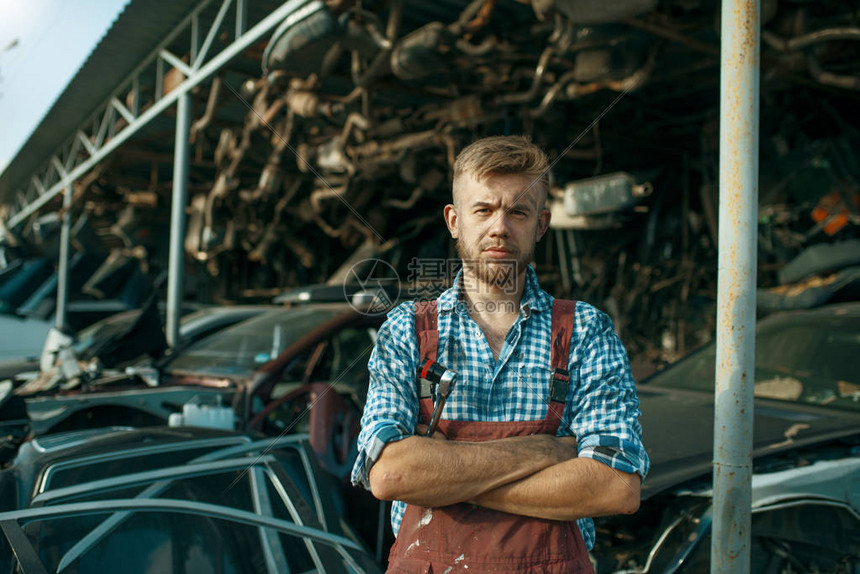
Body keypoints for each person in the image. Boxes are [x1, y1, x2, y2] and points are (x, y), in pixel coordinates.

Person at [351, 135, 649, 573]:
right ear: (454, 220)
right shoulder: (407, 331)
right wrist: (547, 451)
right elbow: (391, 474)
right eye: (484, 209)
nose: (499, 227)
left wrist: (441, 476)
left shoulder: (586, 332)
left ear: (541, 225)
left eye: (518, 212)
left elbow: (615, 488)